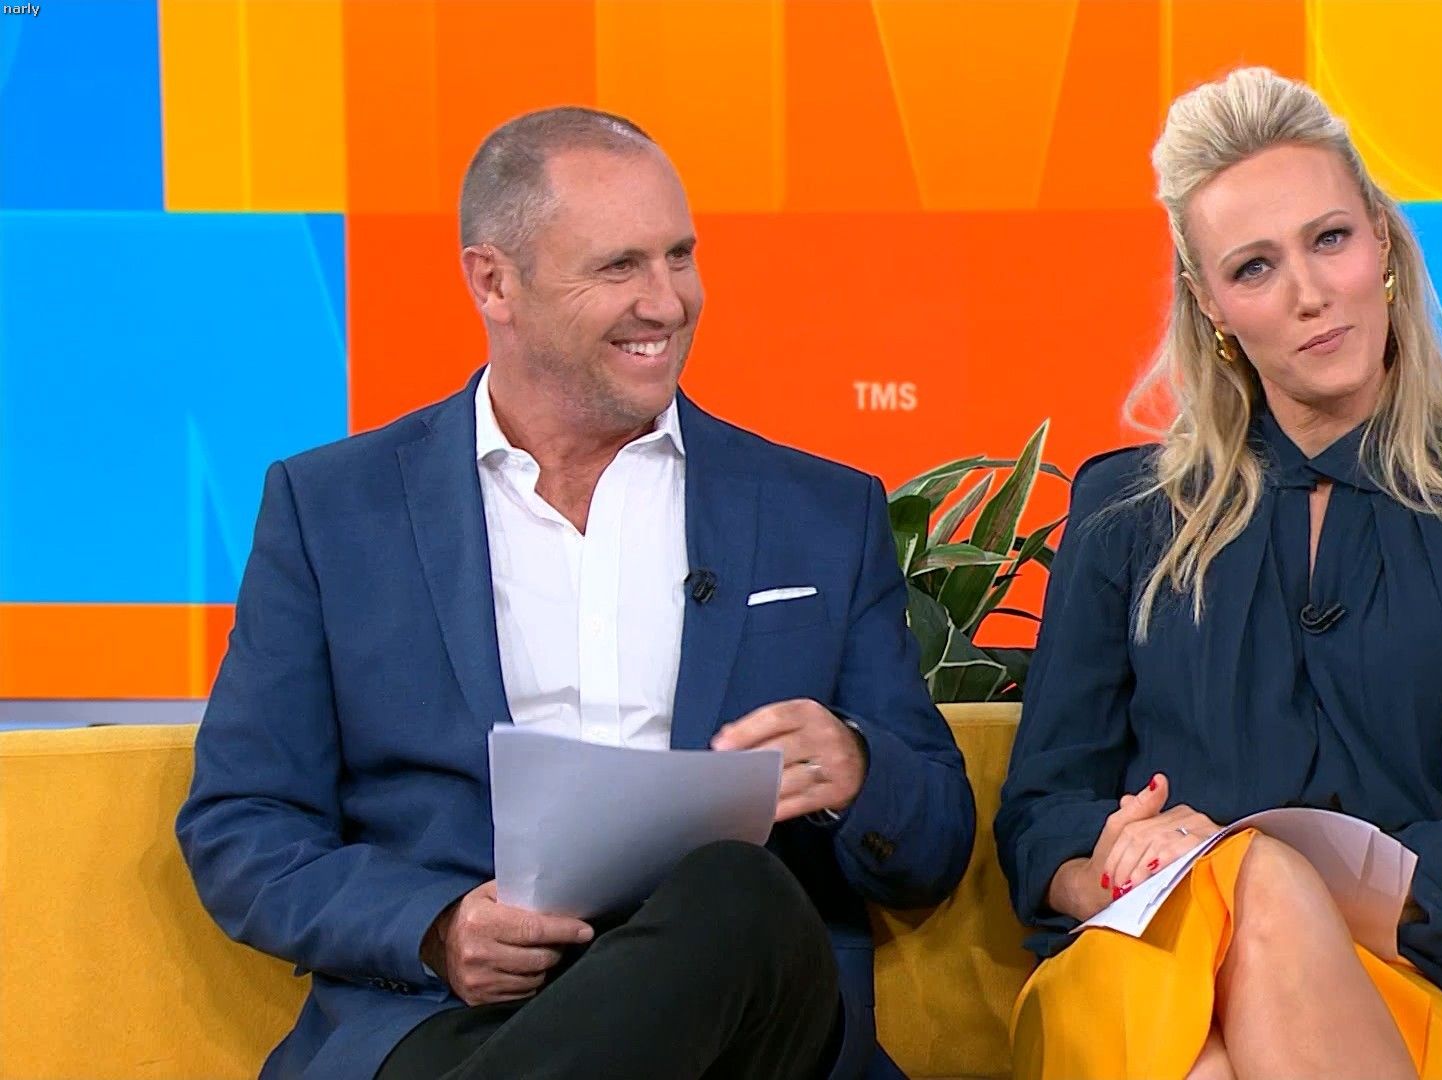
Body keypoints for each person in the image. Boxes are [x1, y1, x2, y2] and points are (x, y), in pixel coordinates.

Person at [176, 106, 974, 1080]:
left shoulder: (819, 512)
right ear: (493, 282)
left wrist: (857, 768)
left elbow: (935, 838)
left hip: (742, 1019)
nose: (667, 302)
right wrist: (433, 926)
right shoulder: (335, 511)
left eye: (680, 257)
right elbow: (244, 822)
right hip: (452, 1019)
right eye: (619, 266)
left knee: (737, 891)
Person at [995, 67, 1442, 1080]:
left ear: (1383, 246)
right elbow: (1041, 813)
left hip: (1411, 976)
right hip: (1147, 962)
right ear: (1212, 307)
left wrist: (1257, 874)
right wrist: (1113, 862)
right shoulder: (1124, 513)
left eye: (1329, 239)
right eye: (1255, 268)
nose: (1310, 294)